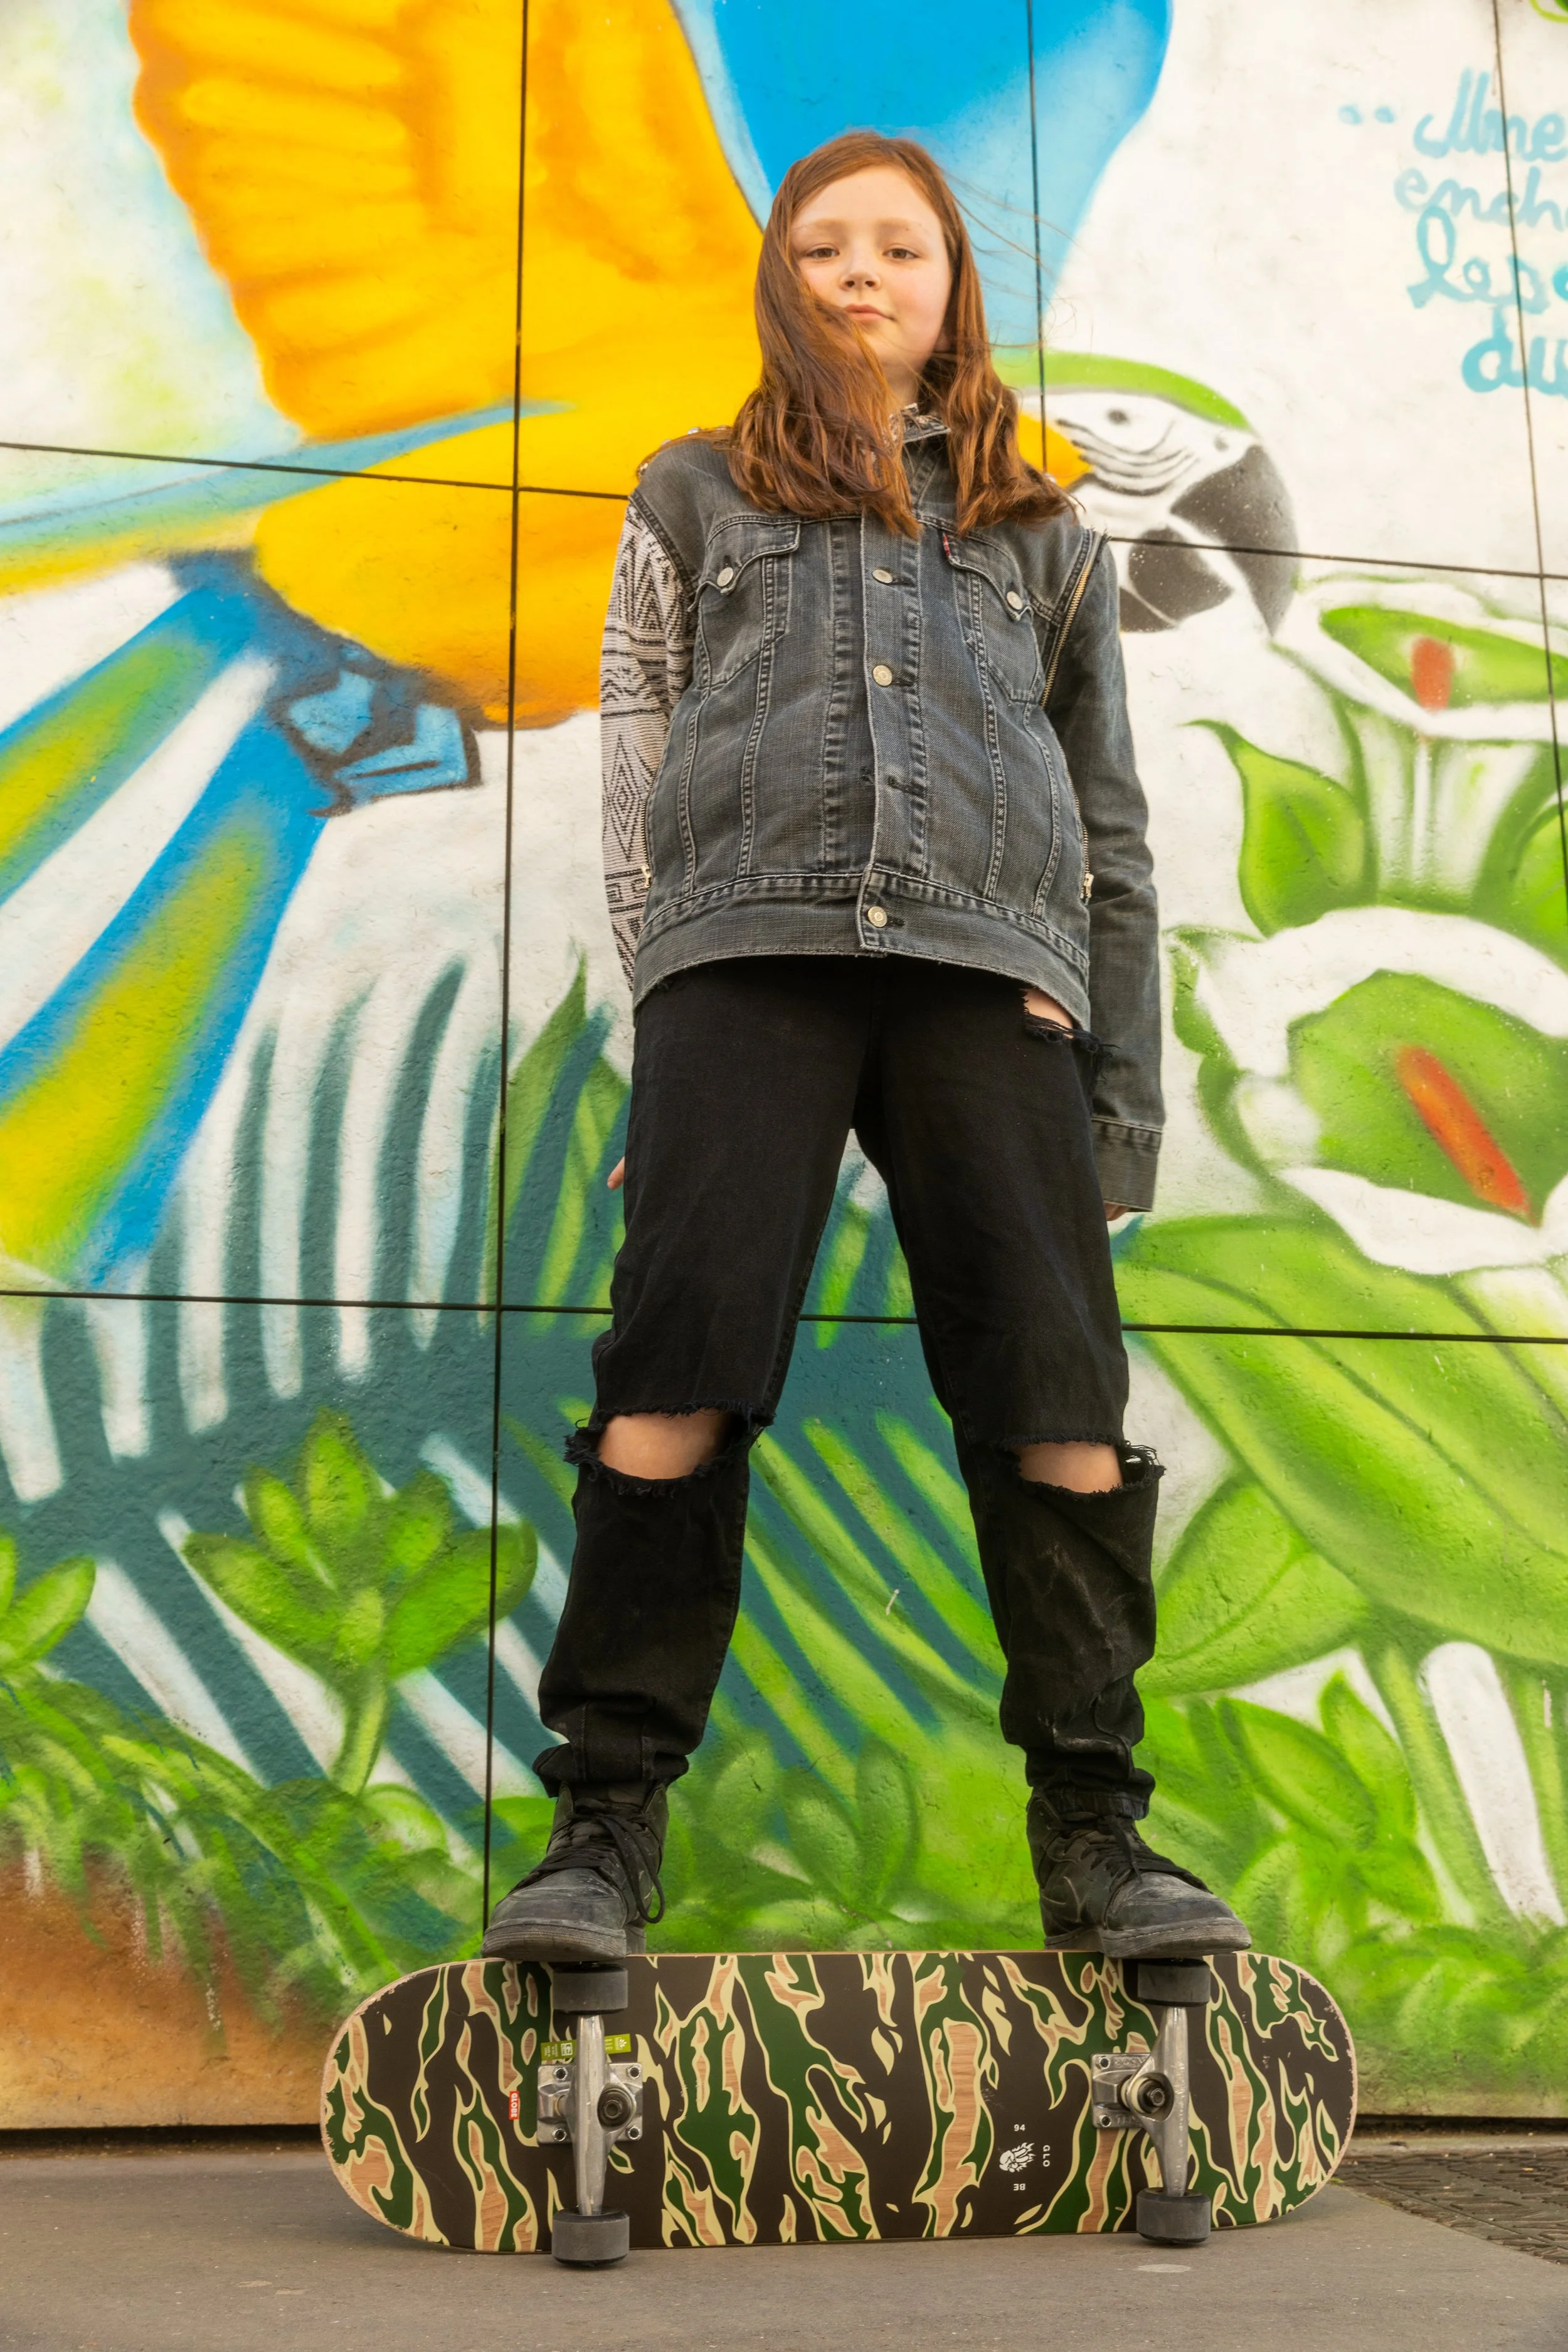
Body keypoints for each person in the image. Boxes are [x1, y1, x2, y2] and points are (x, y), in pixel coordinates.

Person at [484, 130, 1248, 1968]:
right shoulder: (687, 494)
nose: (857, 273)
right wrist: (665, 1008)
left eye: (896, 246)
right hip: (743, 962)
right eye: (822, 246)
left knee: (1055, 1397)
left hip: (994, 981)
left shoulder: (1038, 530)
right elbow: (638, 763)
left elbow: (1110, 826)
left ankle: (1097, 1836)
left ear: (945, 287)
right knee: (674, 1363)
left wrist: (1118, 1102)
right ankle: (602, 1825)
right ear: (782, 280)